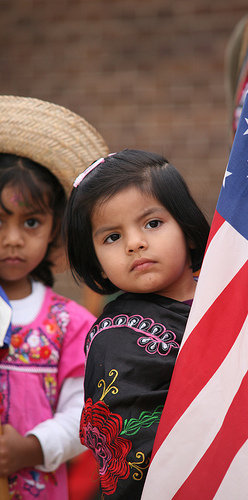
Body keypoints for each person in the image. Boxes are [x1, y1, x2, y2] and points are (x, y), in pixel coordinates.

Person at [63, 149, 210, 498]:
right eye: (112, 237)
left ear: (187, 230)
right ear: (97, 263)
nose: (135, 243)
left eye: (152, 223)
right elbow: (133, 456)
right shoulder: (118, 339)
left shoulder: (228, 296)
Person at [0, 95, 109, 500]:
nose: (13, 239)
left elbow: (83, 415)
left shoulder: (70, 322)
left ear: (54, 229)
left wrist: (32, 447)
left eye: (30, 222)